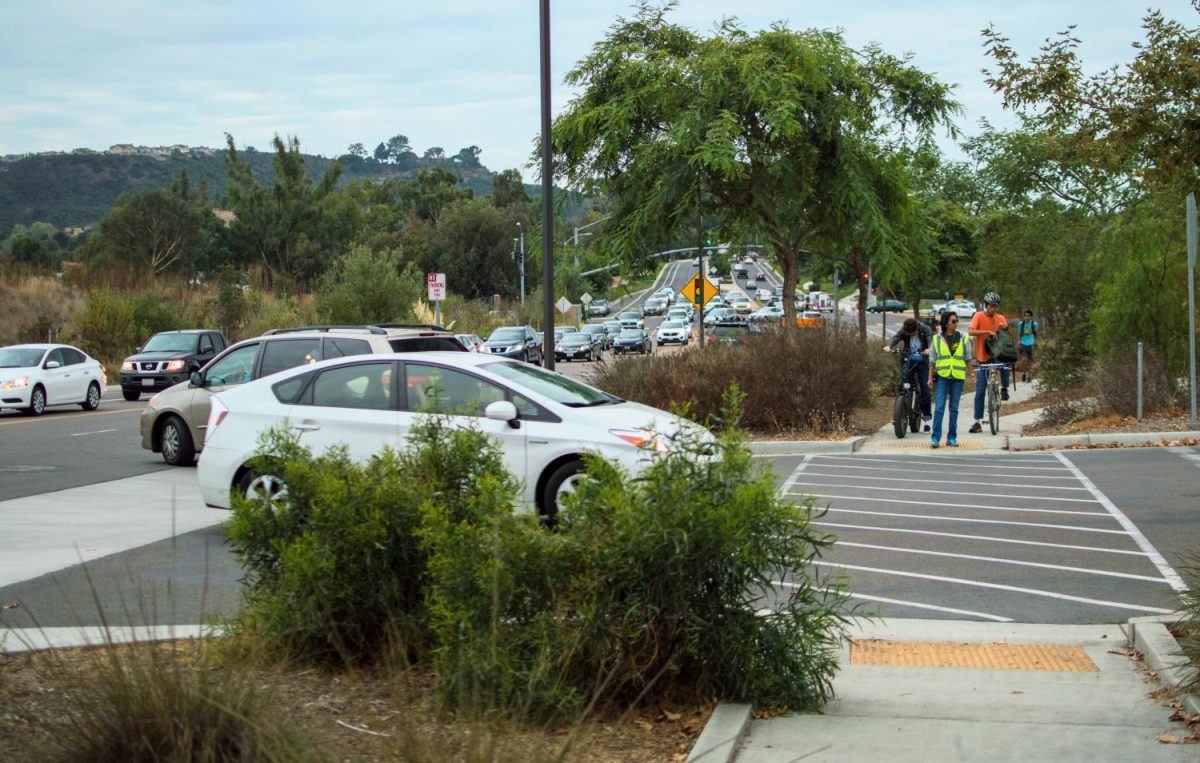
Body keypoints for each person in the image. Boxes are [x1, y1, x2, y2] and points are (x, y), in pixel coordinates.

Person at [967, 291, 1010, 433]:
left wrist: (1004, 329)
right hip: (982, 356)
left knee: (1005, 364)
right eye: (991, 306)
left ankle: (1004, 389)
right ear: (986, 305)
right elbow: (971, 332)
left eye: (996, 306)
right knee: (980, 391)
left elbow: (1005, 333)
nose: (994, 309)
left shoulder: (1000, 317)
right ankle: (977, 421)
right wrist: (987, 332)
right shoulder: (979, 316)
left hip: (997, 354)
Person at [928, 310, 970, 447]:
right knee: (939, 407)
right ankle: (935, 438)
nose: (956, 323)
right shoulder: (937, 339)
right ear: (946, 323)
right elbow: (932, 360)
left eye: (957, 321)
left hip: (957, 378)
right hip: (942, 377)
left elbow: (968, 358)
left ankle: (951, 438)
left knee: (954, 408)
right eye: (953, 321)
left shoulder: (963, 338)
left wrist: (968, 375)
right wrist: (930, 378)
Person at [884, 317, 933, 431]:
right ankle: (898, 415)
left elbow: (930, 340)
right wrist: (889, 346)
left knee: (925, 388)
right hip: (908, 360)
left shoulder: (925, 329)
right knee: (902, 386)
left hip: (922, 362)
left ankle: (926, 418)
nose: (910, 335)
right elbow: (896, 337)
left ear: (917, 328)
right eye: (908, 333)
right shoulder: (904, 330)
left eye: (912, 333)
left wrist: (929, 349)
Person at [1017, 309, 1039, 382]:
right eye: (1025, 315)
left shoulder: (1034, 324)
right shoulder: (1021, 324)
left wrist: (1036, 343)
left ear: (1031, 317)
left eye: (1029, 316)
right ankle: (1024, 373)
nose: (1027, 317)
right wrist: (1019, 343)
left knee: (1030, 361)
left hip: (1031, 344)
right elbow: (1019, 334)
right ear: (1023, 316)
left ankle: (1029, 375)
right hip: (1023, 343)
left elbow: (1035, 333)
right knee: (1024, 360)